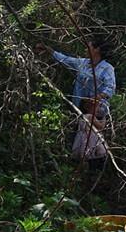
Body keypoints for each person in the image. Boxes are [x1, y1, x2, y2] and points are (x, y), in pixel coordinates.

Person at [36, 38, 116, 167]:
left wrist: (96, 98)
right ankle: (78, 170)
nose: (86, 49)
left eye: (88, 46)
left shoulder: (107, 68)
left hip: (95, 111)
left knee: (92, 143)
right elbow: (64, 59)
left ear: (97, 50)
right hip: (79, 108)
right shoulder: (83, 63)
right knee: (80, 141)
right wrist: (48, 49)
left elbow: (110, 88)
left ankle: (94, 170)